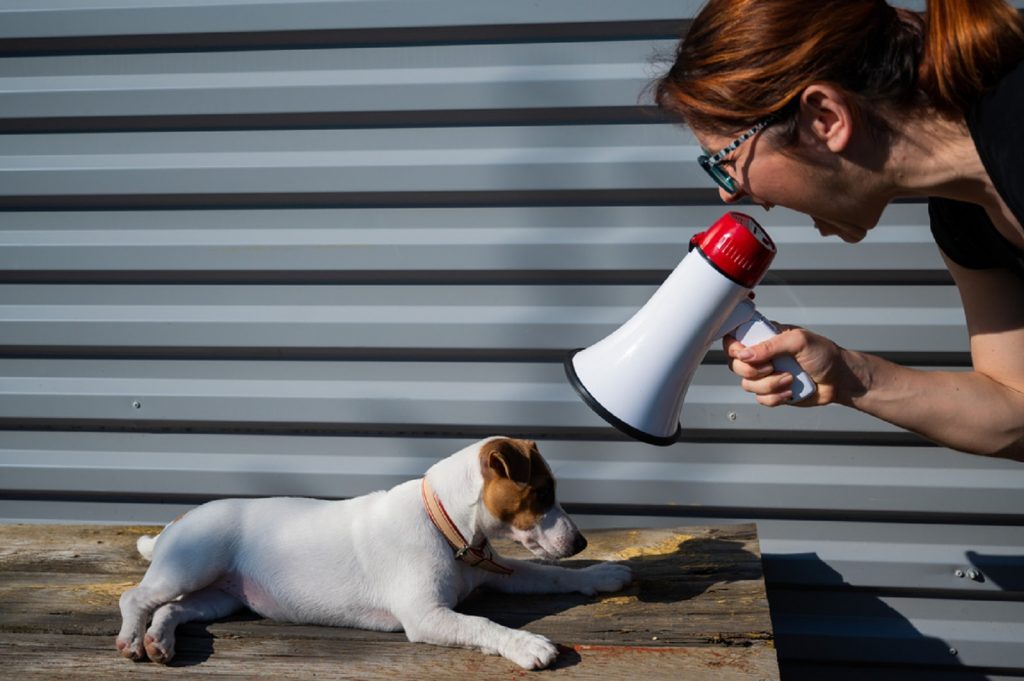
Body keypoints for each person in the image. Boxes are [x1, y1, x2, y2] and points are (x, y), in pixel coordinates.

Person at [654, 0, 1024, 460]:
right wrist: (849, 376)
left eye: (726, 162)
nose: (729, 194)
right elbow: (1016, 409)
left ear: (825, 118)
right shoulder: (963, 216)